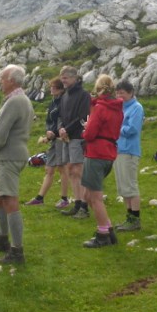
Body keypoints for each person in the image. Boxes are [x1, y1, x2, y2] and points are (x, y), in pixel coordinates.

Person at [0, 65, 34, 264]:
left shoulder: (14, 101)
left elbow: (0, 133)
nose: (0, 82)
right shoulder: (24, 100)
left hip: (9, 155)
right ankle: (3, 238)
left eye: (3, 79)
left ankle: (16, 250)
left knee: (9, 198)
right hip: (16, 153)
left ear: (12, 80)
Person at [80, 75, 124, 248]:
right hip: (109, 153)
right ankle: (109, 229)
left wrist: (86, 129)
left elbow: (90, 134)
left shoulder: (100, 108)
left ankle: (103, 233)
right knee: (91, 195)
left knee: (94, 197)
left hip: (96, 153)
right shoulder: (118, 109)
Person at [25, 78, 71, 208]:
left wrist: (53, 133)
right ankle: (40, 198)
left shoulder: (64, 102)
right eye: (51, 86)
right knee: (49, 169)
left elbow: (63, 121)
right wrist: (48, 132)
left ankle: (64, 199)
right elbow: (49, 120)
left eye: (54, 87)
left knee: (62, 169)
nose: (51, 89)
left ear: (61, 89)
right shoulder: (53, 102)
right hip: (53, 138)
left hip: (60, 139)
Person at [58, 66, 92, 219]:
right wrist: (60, 128)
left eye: (65, 78)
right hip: (66, 137)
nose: (62, 80)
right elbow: (61, 115)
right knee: (71, 169)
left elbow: (83, 116)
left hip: (77, 136)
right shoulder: (65, 95)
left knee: (78, 170)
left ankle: (84, 206)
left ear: (74, 78)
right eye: (62, 77)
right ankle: (77, 202)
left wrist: (67, 129)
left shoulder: (84, 95)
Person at [114, 79, 145, 232]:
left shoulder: (136, 108)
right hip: (118, 150)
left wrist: (116, 127)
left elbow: (132, 129)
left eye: (123, 93)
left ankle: (135, 219)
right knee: (123, 187)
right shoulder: (120, 108)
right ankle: (129, 218)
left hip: (129, 151)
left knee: (131, 186)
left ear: (131, 93)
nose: (120, 96)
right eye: (118, 93)